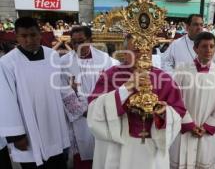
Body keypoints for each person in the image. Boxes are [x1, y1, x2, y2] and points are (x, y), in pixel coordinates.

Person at [87, 34, 191, 169]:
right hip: (118, 147)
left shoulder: (164, 78)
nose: (142, 54)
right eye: (136, 50)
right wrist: (125, 89)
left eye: (147, 50)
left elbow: (178, 110)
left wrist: (165, 113)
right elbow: (94, 110)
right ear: (124, 53)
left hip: (152, 147)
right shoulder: (111, 75)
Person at [0, 17, 70, 169]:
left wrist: (74, 110)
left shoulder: (53, 55)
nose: (29, 40)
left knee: (58, 161)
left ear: (40, 34)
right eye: (24, 36)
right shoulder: (7, 63)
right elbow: (6, 101)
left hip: (54, 123)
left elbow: (62, 86)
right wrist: (16, 135)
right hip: (28, 129)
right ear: (16, 37)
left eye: (33, 35)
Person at [170, 32, 215, 169]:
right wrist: (189, 124)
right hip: (184, 129)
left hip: (207, 131)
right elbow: (175, 100)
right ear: (195, 49)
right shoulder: (180, 71)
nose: (208, 50)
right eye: (204, 46)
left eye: (212, 46)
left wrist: (208, 126)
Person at [60, 26, 116, 169]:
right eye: (74, 42)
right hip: (79, 117)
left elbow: (112, 85)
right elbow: (63, 89)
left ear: (90, 40)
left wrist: (99, 108)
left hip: (101, 113)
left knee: (101, 152)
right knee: (82, 154)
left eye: (81, 41)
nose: (77, 46)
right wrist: (82, 110)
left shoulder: (105, 60)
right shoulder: (64, 62)